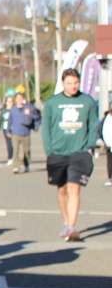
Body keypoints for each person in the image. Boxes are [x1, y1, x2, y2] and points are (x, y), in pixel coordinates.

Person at [42, 68, 99, 242]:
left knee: (74, 188)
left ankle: (72, 227)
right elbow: (46, 128)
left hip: (80, 152)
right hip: (58, 152)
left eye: (76, 83)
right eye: (69, 83)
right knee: (62, 189)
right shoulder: (52, 103)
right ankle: (66, 221)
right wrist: (49, 150)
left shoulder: (88, 101)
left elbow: (93, 125)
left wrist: (90, 146)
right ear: (63, 83)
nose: (73, 86)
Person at [8, 92, 40, 174]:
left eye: (21, 98)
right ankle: (16, 166)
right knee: (15, 150)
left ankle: (26, 165)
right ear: (15, 99)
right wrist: (8, 130)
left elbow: (37, 117)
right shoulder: (13, 109)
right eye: (18, 98)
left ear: (23, 99)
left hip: (25, 133)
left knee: (26, 151)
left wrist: (29, 114)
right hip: (15, 133)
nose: (19, 100)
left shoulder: (28, 108)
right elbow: (10, 120)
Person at [0, 95, 14, 165]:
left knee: (14, 144)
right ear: (6, 103)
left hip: (14, 128)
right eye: (9, 102)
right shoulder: (4, 111)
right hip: (6, 128)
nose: (10, 103)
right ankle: (10, 157)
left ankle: (14, 157)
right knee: (9, 144)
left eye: (11, 101)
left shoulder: (14, 110)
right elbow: (0, 121)